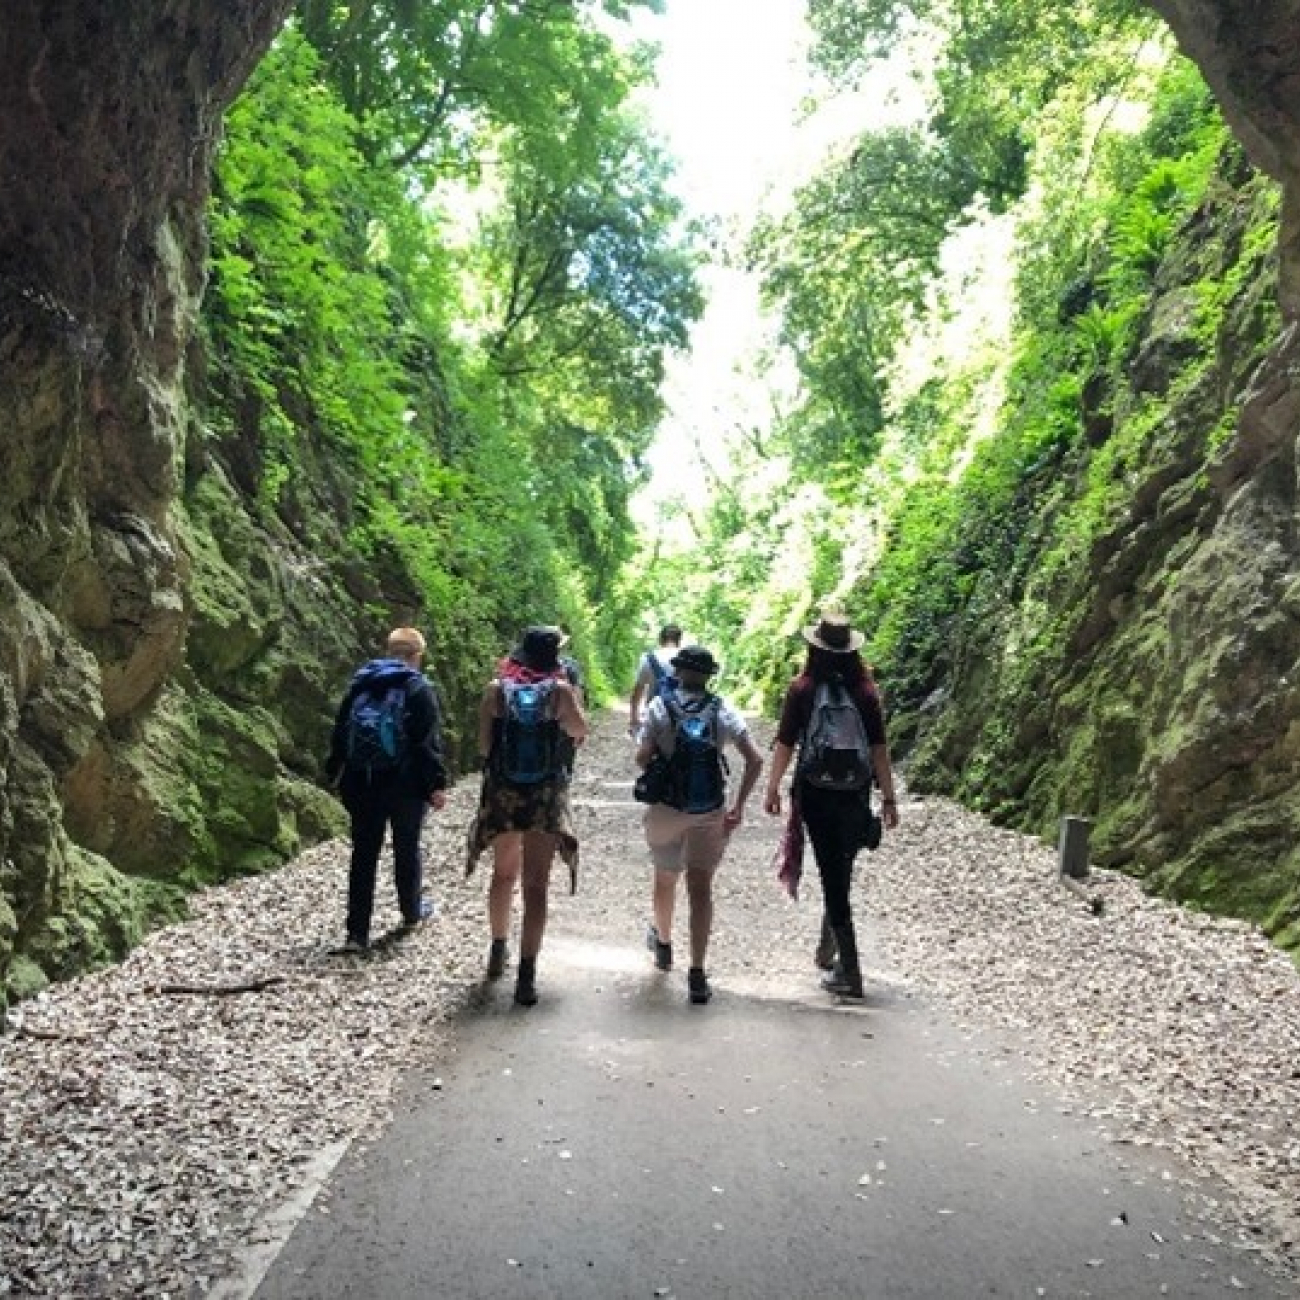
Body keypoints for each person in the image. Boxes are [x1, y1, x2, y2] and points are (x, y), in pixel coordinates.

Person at [763, 610, 900, 1000]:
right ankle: (829, 949)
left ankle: (851, 971)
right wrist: (888, 798)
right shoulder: (866, 691)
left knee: (832, 876)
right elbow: (879, 749)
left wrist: (773, 788)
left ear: (815, 648)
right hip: (855, 792)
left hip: (816, 793)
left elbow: (786, 743)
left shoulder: (802, 688)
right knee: (839, 868)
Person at [635, 644, 763, 1005]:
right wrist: (737, 806)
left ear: (677, 672)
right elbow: (754, 760)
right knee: (700, 887)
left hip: (666, 808)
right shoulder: (723, 711)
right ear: (708, 675)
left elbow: (641, 757)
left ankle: (663, 945)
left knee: (665, 876)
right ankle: (697, 972)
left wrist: (659, 755)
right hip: (709, 809)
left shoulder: (660, 707)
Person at [467, 626, 589, 1006]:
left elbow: (484, 746)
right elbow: (579, 732)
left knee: (503, 874)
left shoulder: (495, 690)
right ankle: (526, 975)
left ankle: (497, 948)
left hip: (503, 794)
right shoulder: (560, 691)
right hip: (545, 796)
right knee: (536, 885)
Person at [326, 627, 449, 952]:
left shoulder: (361, 683)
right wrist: (435, 784)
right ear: (417, 655)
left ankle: (357, 933)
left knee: (364, 854)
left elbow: (340, 732)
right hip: (405, 785)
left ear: (389, 650)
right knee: (406, 847)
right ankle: (410, 913)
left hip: (362, 781)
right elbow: (426, 742)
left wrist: (334, 772)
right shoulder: (417, 687)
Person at [628, 623, 683, 738]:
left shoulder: (648, 658)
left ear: (661, 639)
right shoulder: (687, 659)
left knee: (645, 753)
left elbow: (636, 694)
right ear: (679, 640)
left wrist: (634, 720)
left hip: (655, 717)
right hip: (682, 717)